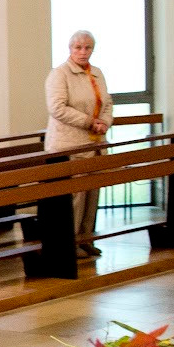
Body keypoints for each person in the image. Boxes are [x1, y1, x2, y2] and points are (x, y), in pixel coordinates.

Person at [46, 29, 113, 258]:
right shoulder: (60, 74)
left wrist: (104, 122)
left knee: (92, 193)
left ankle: (87, 238)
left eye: (88, 48)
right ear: (70, 49)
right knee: (76, 196)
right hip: (69, 144)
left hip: (94, 144)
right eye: (78, 48)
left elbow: (107, 102)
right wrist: (88, 122)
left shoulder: (97, 73)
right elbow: (57, 108)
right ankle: (71, 242)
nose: (83, 52)